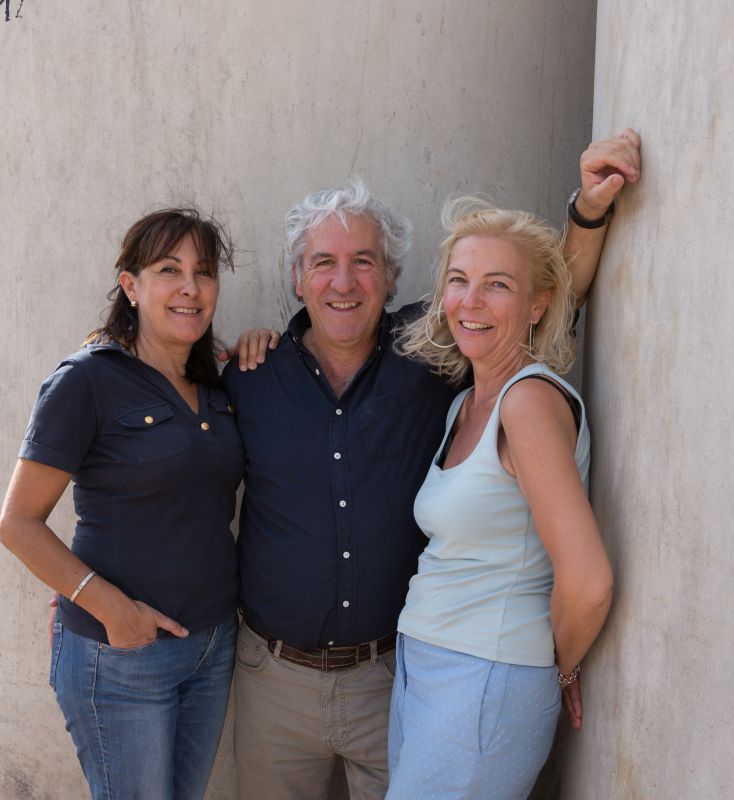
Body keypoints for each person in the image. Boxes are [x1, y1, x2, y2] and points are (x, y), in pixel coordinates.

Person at [224, 129, 640, 800]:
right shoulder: (250, 376)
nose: (342, 282)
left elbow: (540, 289)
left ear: (392, 277)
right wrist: (92, 582)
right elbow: (175, 465)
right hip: (282, 680)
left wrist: (588, 212)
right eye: (322, 262)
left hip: (397, 675)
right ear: (297, 278)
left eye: (364, 261)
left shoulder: (431, 356)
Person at [0, 209, 242, 800]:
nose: (190, 287)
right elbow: (18, 524)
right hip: (123, 656)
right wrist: (110, 608)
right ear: (131, 286)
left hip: (212, 646)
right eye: (169, 270)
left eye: (204, 272)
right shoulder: (87, 380)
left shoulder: (217, 385)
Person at [385, 198, 612, 798]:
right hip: (428, 664)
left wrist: (556, 667)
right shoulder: (466, 403)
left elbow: (588, 581)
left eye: (498, 285)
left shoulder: (527, 402)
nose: (471, 301)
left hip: (485, 676)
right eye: (459, 280)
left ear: (538, 305)